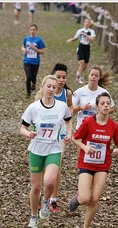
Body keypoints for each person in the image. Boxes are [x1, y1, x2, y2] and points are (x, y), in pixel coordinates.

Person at [69, 92, 118, 228]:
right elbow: (75, 138)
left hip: (102, 166)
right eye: (103, 103)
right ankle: (77, 198)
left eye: (108, 103)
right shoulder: (88, 122)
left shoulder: (114, 126)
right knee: (85, 198)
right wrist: (85, 147)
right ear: (97, 107)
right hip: (86, 163)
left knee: (94, 199)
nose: (106, 106)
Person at [20, 75, 72, 228]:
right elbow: (22, 128)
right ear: (42, 87)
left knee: (49, 181)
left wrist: (69, 134)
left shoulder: (61, 106)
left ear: (57, 90)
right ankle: (33, 216)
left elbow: (68, 121)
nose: (51, 89)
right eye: (48, 86)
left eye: (53, 87)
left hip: (54, 148)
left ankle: (45, 201)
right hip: (36, 149)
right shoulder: (33, 107)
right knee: (36, 188)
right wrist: (28, 133)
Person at [34, 63, 74, 214]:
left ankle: (53, 200)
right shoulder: (43, 93)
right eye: (58, 77)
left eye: (64, 77)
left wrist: (67, 116)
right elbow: (35, 111)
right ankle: (39, 195)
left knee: (56, 166)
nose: (61, 80)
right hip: (44, 136)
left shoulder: (67, 93)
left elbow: (71, 108)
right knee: (44, 166)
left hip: (61, 135)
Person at [72, 65, 114, 131]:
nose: (94, 77)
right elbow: (71, 110)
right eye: (92, 75)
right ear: (88, 75)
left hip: (98, 128)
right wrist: (80, 107)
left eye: (96, 76)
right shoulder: (79, 91)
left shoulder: (104, 92)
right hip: (82, 128)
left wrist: (101, 110)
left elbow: (111, 109)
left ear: (99, 77)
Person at [66, 18, 96, 84]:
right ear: (84, 23)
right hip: (81, 47)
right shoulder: (80, 31)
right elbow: (75, 38)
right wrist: (71, 39)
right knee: (81, 63)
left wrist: (86, 35)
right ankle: (80, 78)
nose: (87, 23)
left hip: (87, 48)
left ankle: (78, 73)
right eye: (86, 22)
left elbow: (92, 39)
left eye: (88, 22)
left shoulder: (91, 31)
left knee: (85, 65)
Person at [21, 24, 45, 97]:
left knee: (33, 77)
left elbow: (42, 52)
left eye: (34, 30)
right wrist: (24, 49)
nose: (32, 31)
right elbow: (23, 46)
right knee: (28, 76)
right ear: (29, 30)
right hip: (27, 61)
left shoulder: (39, 40)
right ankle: (28, 93)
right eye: (31, 29)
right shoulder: (26, 38)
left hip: (35, 62)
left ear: (36, 30)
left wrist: (35, 48)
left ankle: (34, 84)